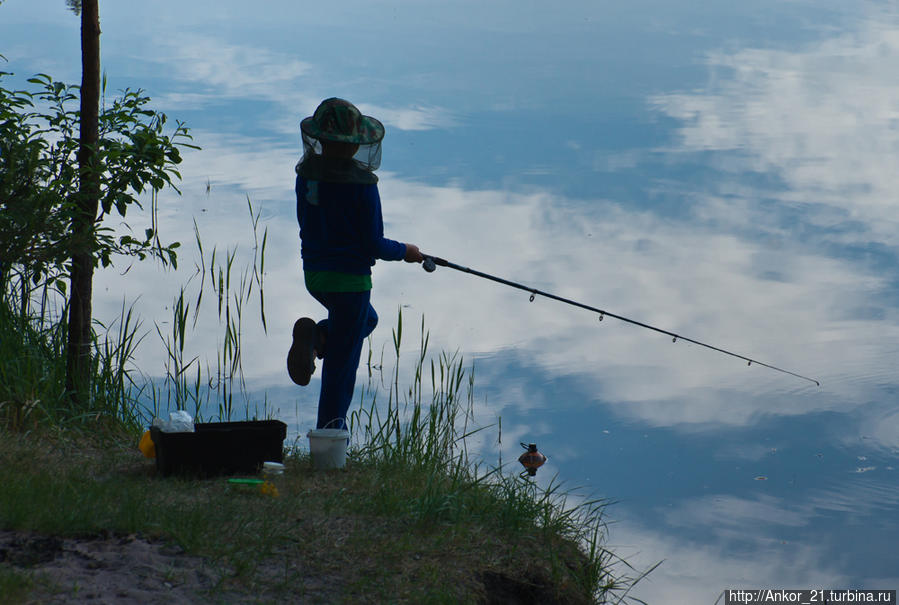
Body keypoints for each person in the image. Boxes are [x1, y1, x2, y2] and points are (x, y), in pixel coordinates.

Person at [288, 98, 423, 430]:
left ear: (320, 140)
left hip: (316, 275)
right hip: (350, 284)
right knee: (341, 367)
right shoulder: (362, 187)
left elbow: (305, 223)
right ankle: (331, 436)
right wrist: (406, 250)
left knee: (367, 320)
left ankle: (318, 338)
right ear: (354, 146)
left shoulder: (307, 177)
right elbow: (372, 244)